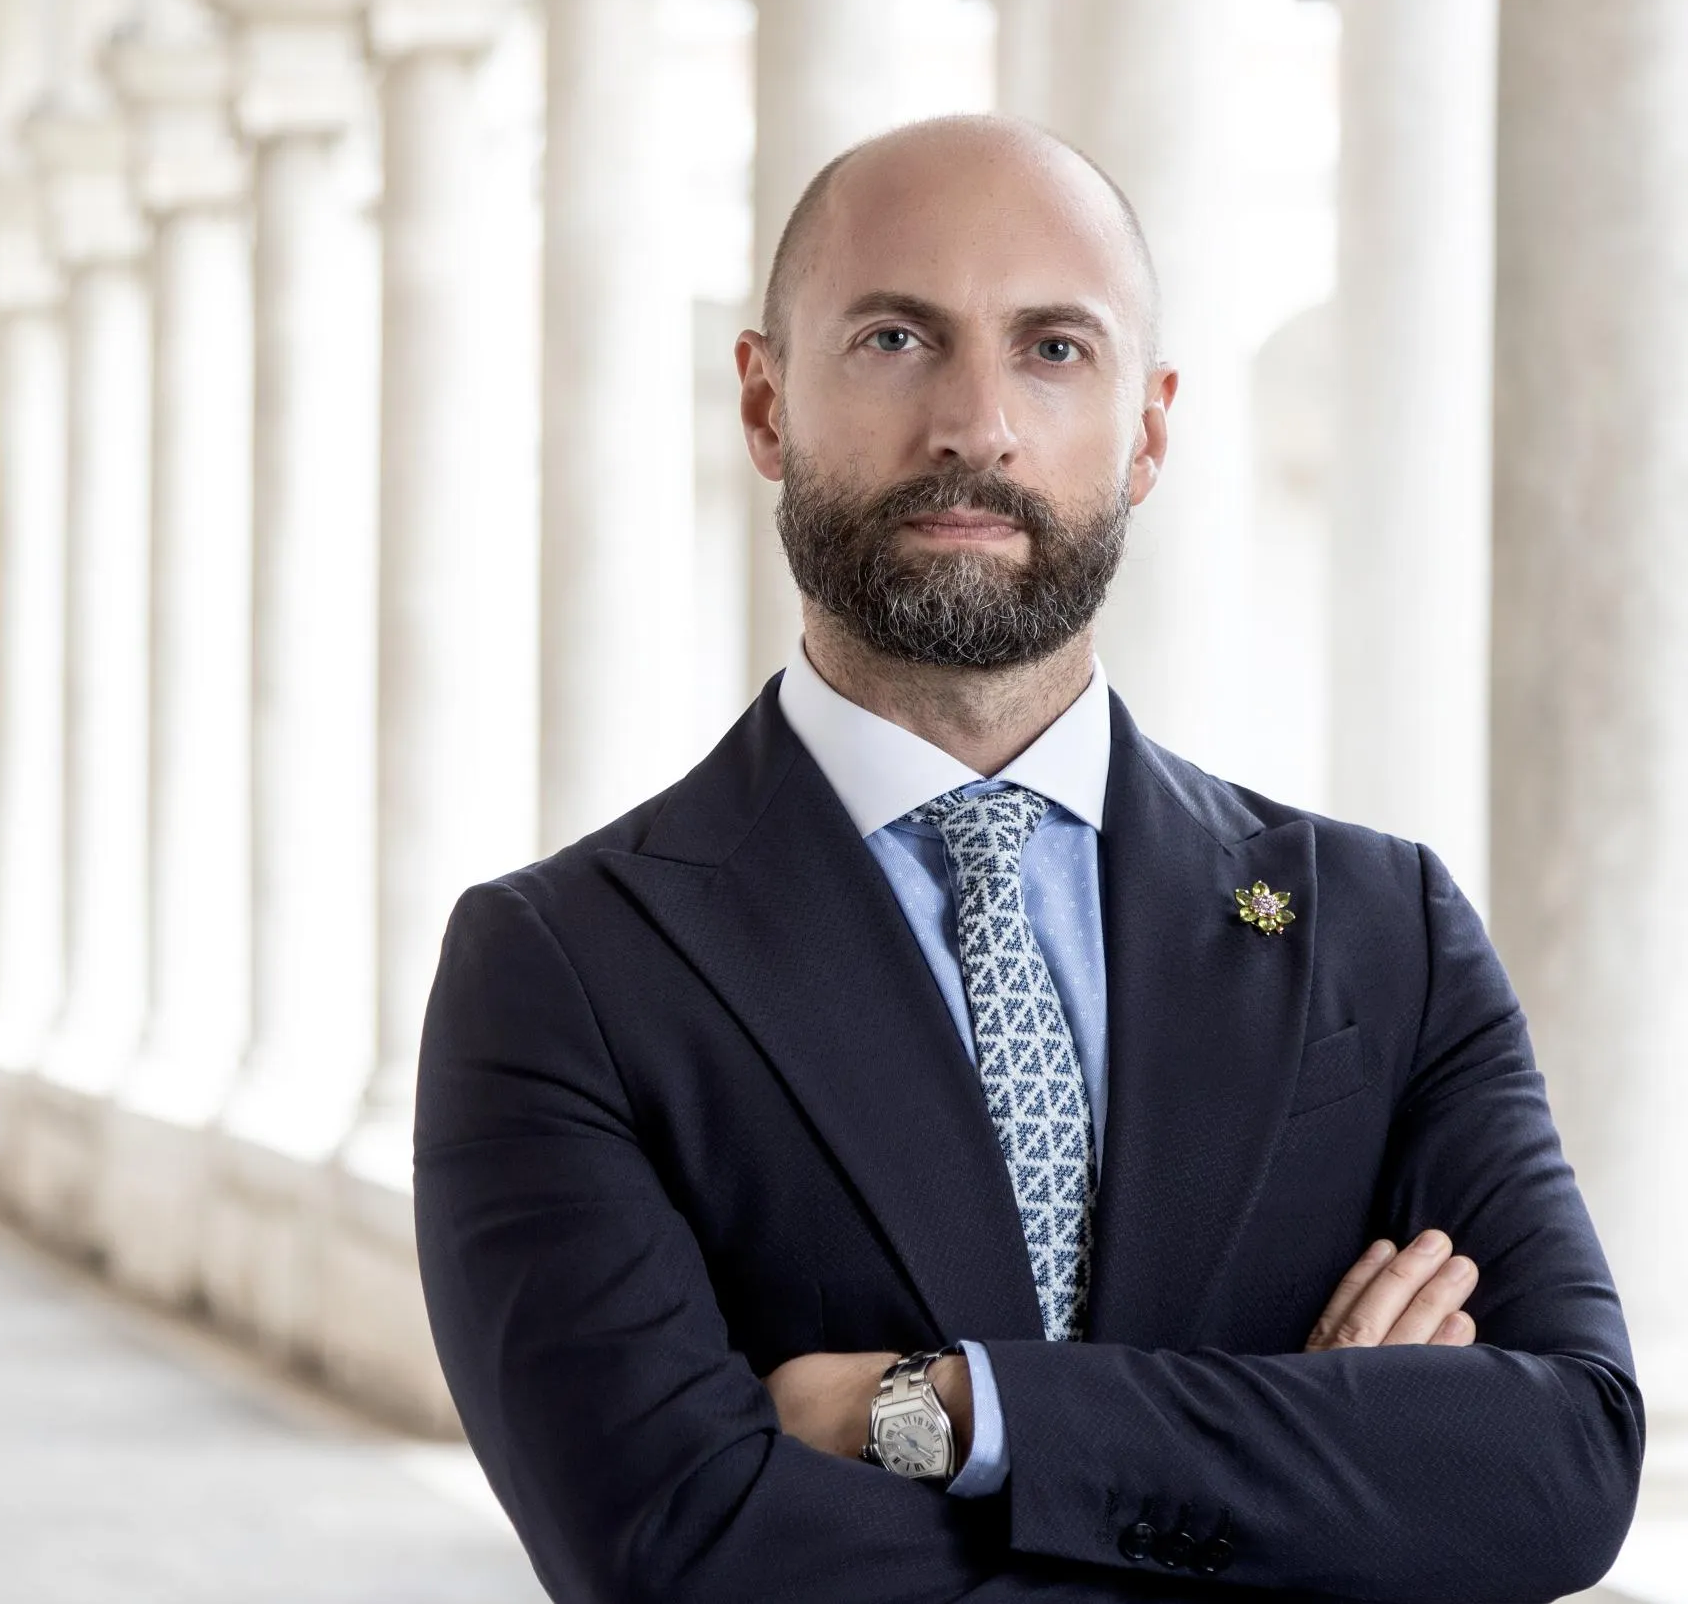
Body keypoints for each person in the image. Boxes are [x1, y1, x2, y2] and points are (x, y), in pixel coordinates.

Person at [412, 115, 1641, 1603]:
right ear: (763, 402)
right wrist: (1325, 1492)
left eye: (1055, 349)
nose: (975, 426)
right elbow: (689, 1556)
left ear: (1152, 430)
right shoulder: (562, 972)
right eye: (891, 339)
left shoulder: (1387, 932)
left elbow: (1563, 1464)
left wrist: (951, 1408)